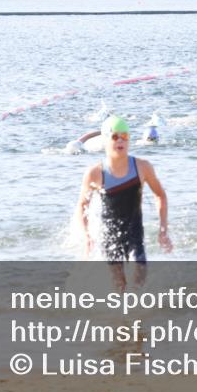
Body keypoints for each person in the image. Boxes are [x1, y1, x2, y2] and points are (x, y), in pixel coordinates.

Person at [77, 116, 172, 291]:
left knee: (140, 274)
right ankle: (120, 317)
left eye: (125, 136)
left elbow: (161, 196)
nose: (120, 140)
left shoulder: (142, 167)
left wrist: (163, 230)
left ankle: (139, 315)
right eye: (115, 137)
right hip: (109, 236)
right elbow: (82, 205)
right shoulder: (95, 173)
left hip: (134, 233)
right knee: (119, 286)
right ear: (105, 140)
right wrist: (87, 237)